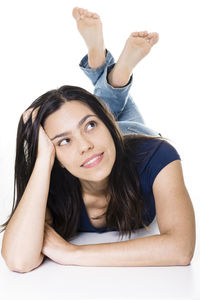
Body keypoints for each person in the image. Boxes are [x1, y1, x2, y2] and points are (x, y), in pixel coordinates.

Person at [1, 7, 195, 272]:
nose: (85, 145)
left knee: (97, 113)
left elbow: (181, 249)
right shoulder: (52, 182)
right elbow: (18, 260)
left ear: (107, 125)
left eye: (91, 126)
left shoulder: (156, 156)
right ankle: (110, 71)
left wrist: (72, 253)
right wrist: (44, 157)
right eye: (63, 141)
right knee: (86, 113)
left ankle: (105, 72)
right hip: (103, 143)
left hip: (131, 139)